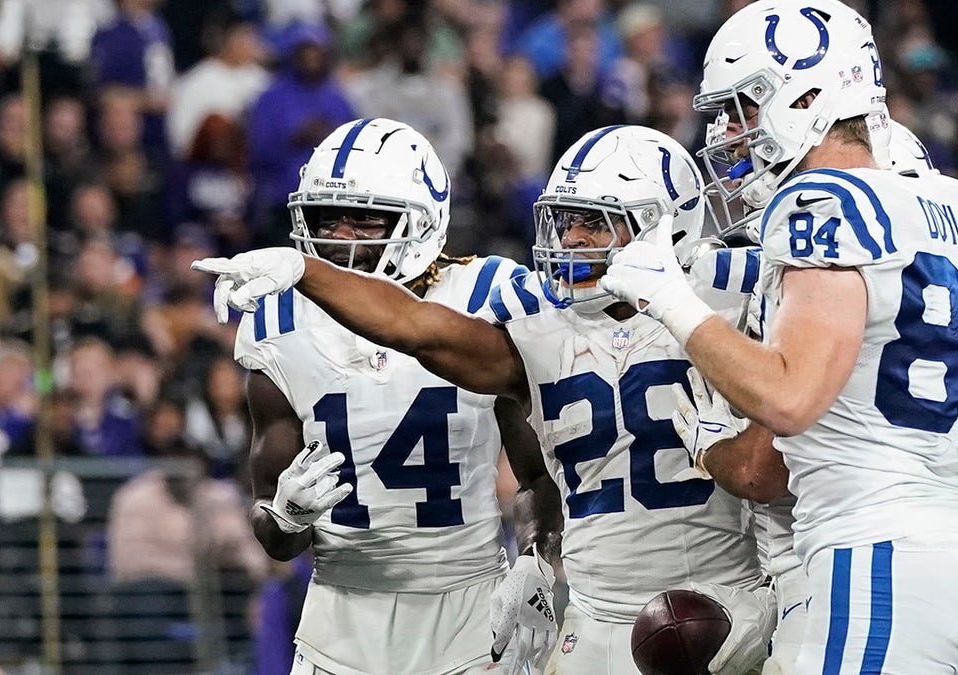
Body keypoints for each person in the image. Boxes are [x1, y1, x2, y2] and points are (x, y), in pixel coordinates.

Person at [194, 124, 773, 675]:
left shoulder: (738, 294)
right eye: (565, 221)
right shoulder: (536, 316)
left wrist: (535, 557)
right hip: (362, 618)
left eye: (596, 223)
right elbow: (413, 327)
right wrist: (287, 516)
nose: (572, 239)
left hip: (681, 597)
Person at [599, 2, 958, 673]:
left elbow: (791, 400)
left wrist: (668, 299)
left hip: (875, 563)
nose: (727, 131)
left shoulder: (820, 201)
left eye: (742, 107)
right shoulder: (954, 205)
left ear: (807, 95)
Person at [198, 118, 560, 675]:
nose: (343, 237)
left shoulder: (486, 298)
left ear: (422, 219)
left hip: (468, 614)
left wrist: (537, 559)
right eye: (327, 219)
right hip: (339, 625)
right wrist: (288, 519)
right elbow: (272, 527)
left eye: (364, 218)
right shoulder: (276, 321)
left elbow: (541, 475)